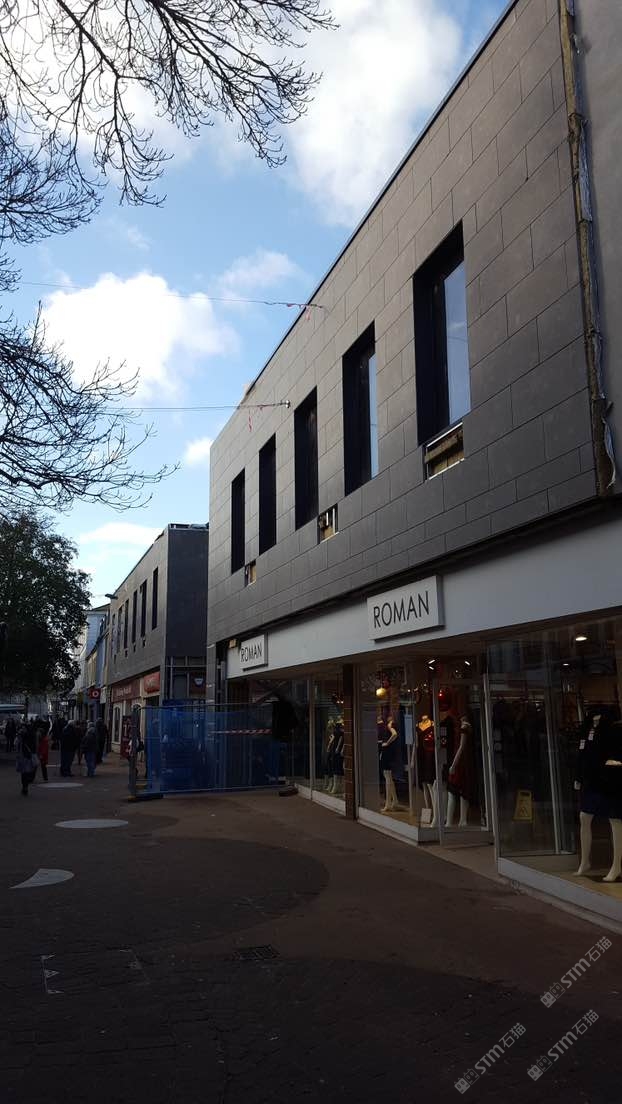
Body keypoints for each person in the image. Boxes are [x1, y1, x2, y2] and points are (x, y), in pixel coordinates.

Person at [16, 724, 38, 795]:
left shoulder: (24, 736)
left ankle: (25, 787)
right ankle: (25, 786)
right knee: (27, 772)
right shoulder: (31, 735)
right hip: (27, 756)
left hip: (25, 756)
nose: (22, 729)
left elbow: (17, 744)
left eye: (24, 728)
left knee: (24, 773)